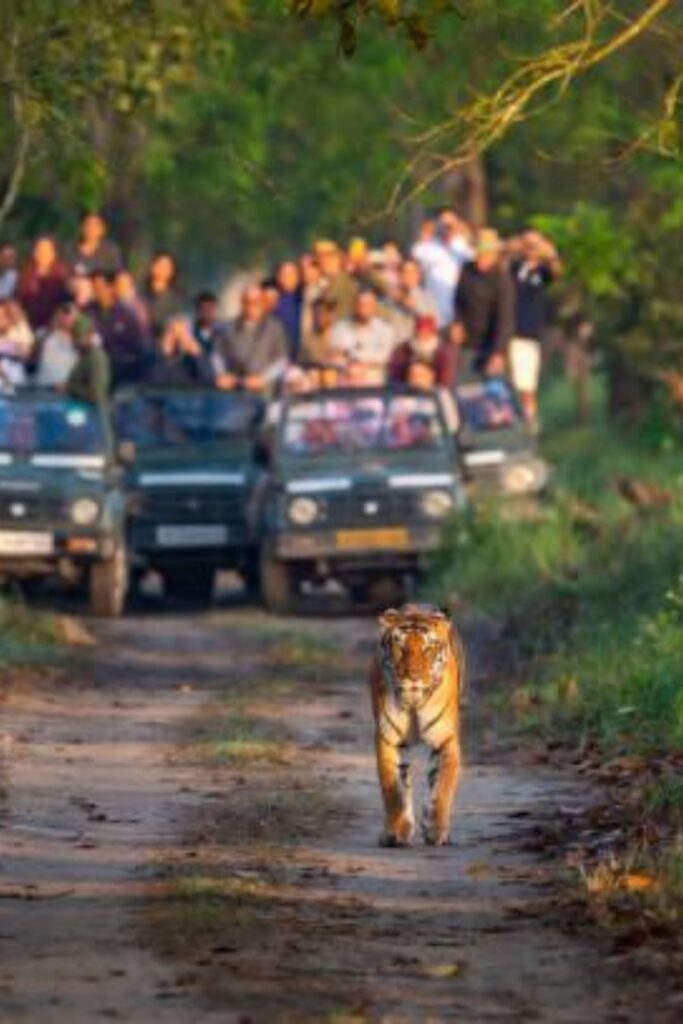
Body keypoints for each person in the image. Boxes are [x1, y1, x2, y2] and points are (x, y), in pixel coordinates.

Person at [509, 229, 562, 423]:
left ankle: (528, 422)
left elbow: (556, 272)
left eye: (534, 246)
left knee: (526, 384)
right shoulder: (514, 268)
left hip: (528, 333)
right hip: (509, 331)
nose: (530, 249)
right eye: (527, 245)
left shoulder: (543, 272)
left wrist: (549, 253)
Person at [453, 228, 515, 377]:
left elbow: (505, 319)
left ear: (494, 255)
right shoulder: (466, 270)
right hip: (467, 344)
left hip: (491, 346)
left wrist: (498, 352)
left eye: (486, 254)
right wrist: (457, 323)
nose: (482, 257)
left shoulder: (502, 278)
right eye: (479, 253)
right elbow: (458, 301)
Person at [213, 284, 288, 393]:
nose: (252, 306)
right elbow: (217, 354)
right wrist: (221, 374)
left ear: (263, 302)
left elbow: (282, 360)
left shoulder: (275, 327)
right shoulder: (230, 327)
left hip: (264, 392)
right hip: (235, 390)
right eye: (247, 301)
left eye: (256, 301)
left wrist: (263, 379)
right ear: (242, 303)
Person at [412, 211, 473, 328]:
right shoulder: (425, 248)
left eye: (451, 225)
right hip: (430, 314)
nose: (447, 228)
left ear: (458, 225)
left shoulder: (465, 251)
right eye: (443, 224)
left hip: (457, 317)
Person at [92, 271, 151, 390]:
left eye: (102, 287)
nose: (99, 292)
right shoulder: (89, 311)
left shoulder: (126, 315)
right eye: (95, 288)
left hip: (122, 366)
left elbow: (138, 343)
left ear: (111, 288)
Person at [329, 288, 397, 385]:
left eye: (368, 304)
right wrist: (365, 359)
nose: (364, 308)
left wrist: (349, 353)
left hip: (373, 381)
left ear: (375, 306)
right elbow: (336, 358)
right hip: (346, 379)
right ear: (354, 305)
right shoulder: (340, 328)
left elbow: (384, 357)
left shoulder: (385, 330)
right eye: (360, 304)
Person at [389, 315, 456, 389]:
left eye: (426, 333)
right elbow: (395, 377)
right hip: (406, 392)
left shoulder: (444, 353)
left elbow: (446, 382)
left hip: (434, 393)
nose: (422, 336)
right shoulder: (402, 350)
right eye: (420, 332)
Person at [17, 236, 70, 330]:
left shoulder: (63, 275)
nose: (43, 253)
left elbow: (66, 305)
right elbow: (20, 303)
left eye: (47, 250)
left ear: (54, 253)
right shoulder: (25, 274)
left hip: (55, 326)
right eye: (39, 249)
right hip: (27, 325)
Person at [150, 318, 215, 386]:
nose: (179, 336)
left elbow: (210, 380)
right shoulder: (151, 360)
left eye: (185, 333)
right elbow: (154, 380)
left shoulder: (189, 363)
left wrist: (195, 351)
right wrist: (166, 349)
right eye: (172, 332)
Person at [64, 316, 110, 407]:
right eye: (75, 337)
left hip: (94, 415)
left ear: (90, 335)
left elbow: (96, 395)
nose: (77, 341)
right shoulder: (84, 356)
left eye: (80, 337)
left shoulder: (96, 358)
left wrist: (69, 388)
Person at [35, 300, 80, 387]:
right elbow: (34, 352)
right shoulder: (44, 334)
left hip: (67, 388)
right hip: (44, 385)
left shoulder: (80, 339)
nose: (67, 319)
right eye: (64, 314)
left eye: (70, 315)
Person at [143, 252, 183, 342]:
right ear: (153, 267)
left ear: (172, 272)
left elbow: (176, 322)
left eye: (167, 267)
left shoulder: (174, 298)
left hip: (165, 339)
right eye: (160, 265)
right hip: (145, 337)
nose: (163, 269)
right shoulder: (142, 294)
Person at [314, 240, 359, 320]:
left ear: (338, 257)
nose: (324, 261)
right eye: (320, 256)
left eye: (329, 256)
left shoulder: (349, 283)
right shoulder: (316, 284)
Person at [0, 299, 33, 390]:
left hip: (15, 378)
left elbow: (25, 354)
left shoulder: (20, 328)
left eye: (4, 316)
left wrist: (8, 347)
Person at [273, 261, 303, 360]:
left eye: (292, 274)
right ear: (278, 277)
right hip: (279, 356)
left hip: (302, 355)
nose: (288, 278)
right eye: (284, 274)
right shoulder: (273, 301)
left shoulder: (303, 299)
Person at [299, 297, 340, 366]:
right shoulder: (307, 341)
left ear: (330, 315)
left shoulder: (339, 337)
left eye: (322, 313)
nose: (319, 317)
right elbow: (301, 364)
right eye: (316, 313)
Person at [192, 290, 227, 357]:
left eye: (210, 308)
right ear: (197, 310)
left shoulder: (224, 331)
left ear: (215, 308)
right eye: (203, 308)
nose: (207, 312)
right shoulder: (190, 333)